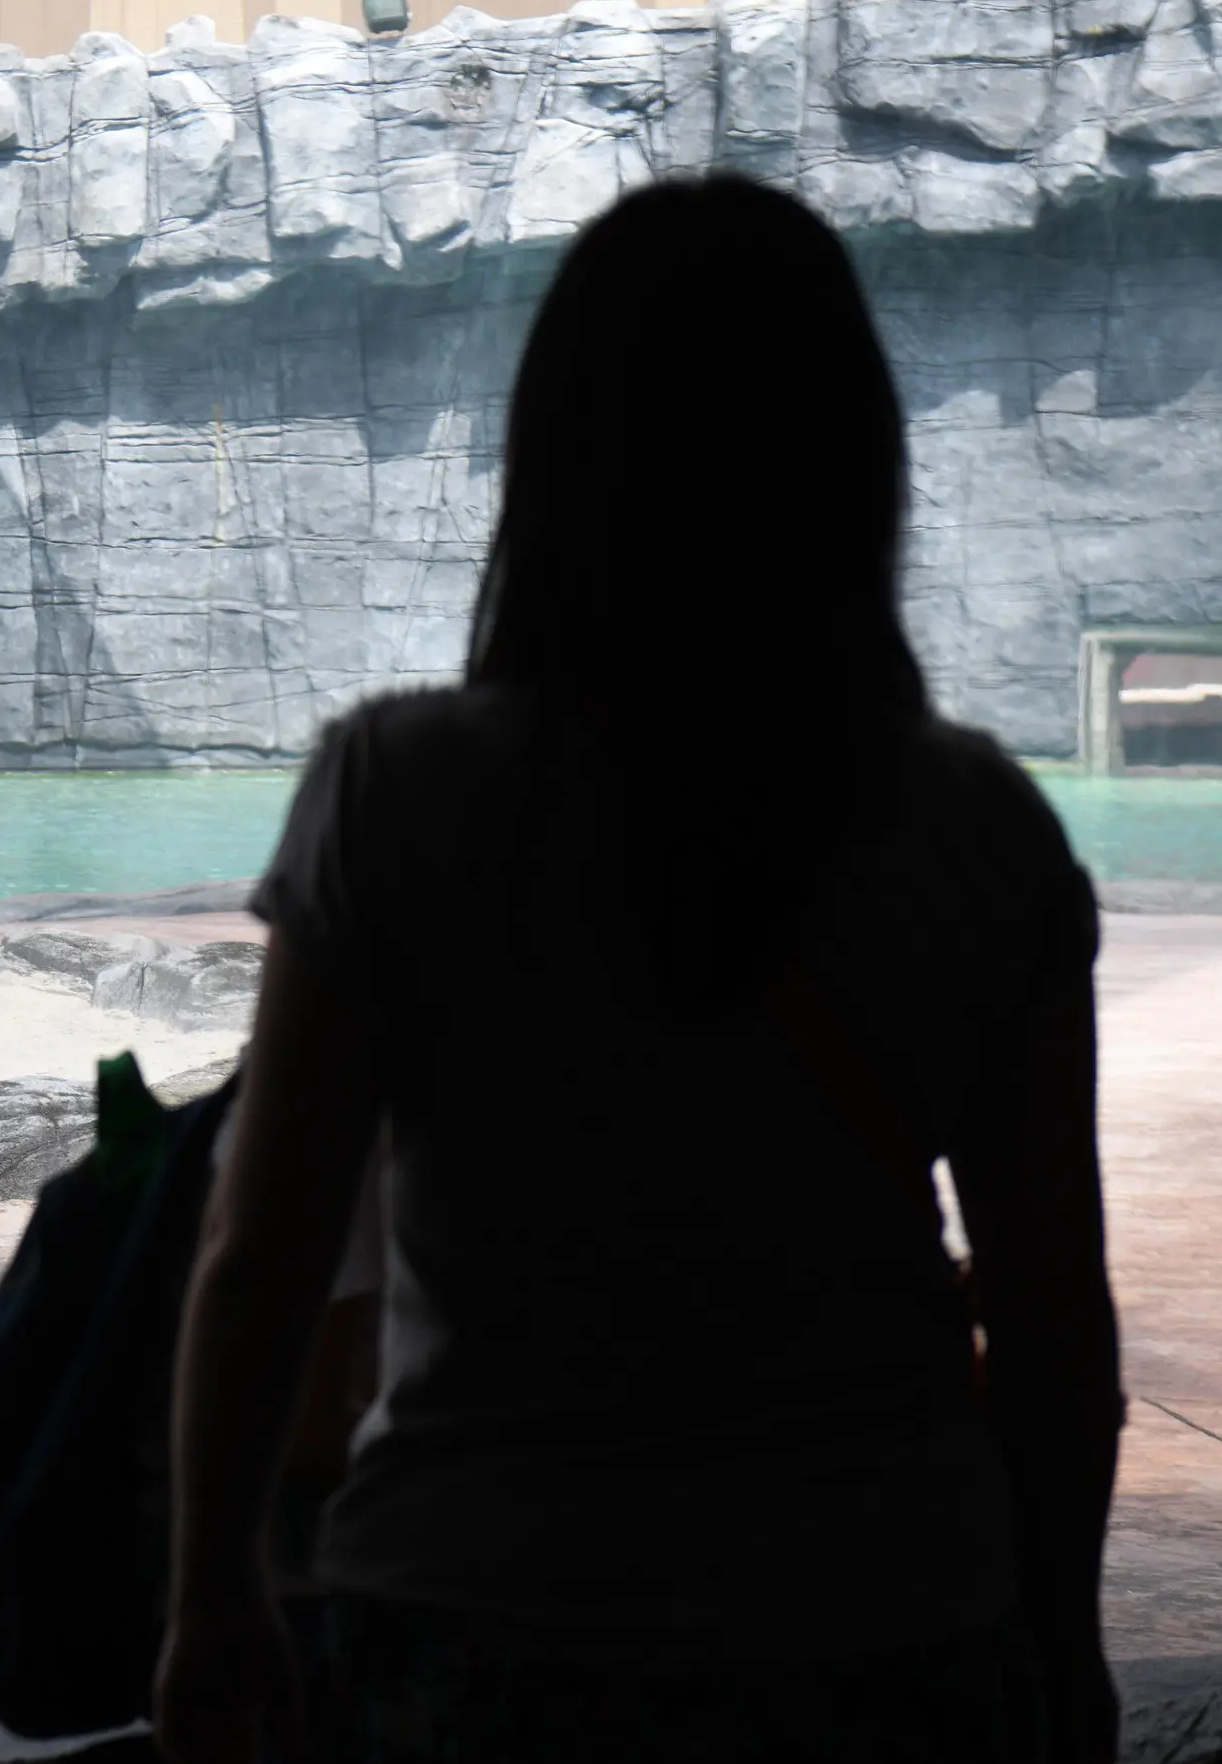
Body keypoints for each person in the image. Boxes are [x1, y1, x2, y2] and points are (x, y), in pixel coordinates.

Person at [154, 175, 1123, 1764]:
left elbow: (258, 1261)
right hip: (884, 1629)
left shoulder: (393, 790)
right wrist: (1063, 1645)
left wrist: (208, 1601)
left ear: (552, 463)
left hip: (478, 1622)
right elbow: (1050, 1316)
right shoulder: (980, 829)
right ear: (857, 469)